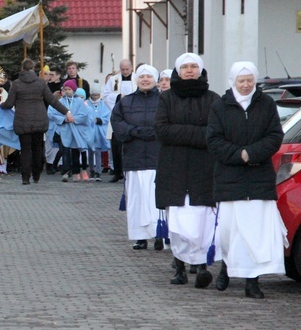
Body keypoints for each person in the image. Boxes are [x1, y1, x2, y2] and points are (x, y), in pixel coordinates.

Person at [206, 61, 287, 299]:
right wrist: (238, 155)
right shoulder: (219, 107)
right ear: (233, 82)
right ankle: (226, 269)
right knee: (230, 232)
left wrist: (252, 153)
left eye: (249, 80)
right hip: (229, 178)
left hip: (258, 178)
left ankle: (253, 281)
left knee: (255, 233)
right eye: (241, 81)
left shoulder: (266, 104)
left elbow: (275, 135)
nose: (245, 85)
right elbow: (213, 139)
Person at [154, 53, 221, 287]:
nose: (190, 70)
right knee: (179, 220)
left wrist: (181, 132)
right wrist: (197, 133)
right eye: (185, 67)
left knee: (202, 218)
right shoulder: (167, 98)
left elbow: (214, 134)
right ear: (177, 71)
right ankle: (180, 267)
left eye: (194, 66)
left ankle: (202, 265)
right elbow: (162, 130)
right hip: (174, 166)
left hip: (203, 168)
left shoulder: (214, 99)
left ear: (201, 70)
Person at [111, 64, 161, 250]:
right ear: (136, 79)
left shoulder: (165, 101)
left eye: (149, 76)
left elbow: (167, 125)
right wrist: (136, 132)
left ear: (155, 79)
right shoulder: (126, 102)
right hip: (135, 157)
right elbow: (117, 123)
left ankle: (160, 234)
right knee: (138, 200)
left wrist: (150, 133)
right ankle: (140, 236)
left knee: (155, 200)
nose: (145, 80)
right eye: (142, 77)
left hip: (157, 158)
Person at [1, 59, 72, 185]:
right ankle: (36, 176)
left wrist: (0, 106)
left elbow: (9, 103)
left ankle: (25, 178)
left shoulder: (16, 84)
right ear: (33, 69)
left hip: (22, 121)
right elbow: (53, 101)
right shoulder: (41, 83)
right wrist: (67, 112)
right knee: (37, 149)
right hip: (39, 120)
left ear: (22, 68)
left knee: (25, 149)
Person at [50, 81, 92, 182]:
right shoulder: (61, 102)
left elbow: (84, 114)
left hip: (76, 129)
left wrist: (75, 119)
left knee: (75, 151)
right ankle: (65, 171)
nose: (67, 91)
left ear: (73, 90)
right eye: (65, 89)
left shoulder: (79, 101)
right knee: (65, 150)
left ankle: (76, 172)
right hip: (65, 129)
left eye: (69, 89)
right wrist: (64, 119)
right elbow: (55, 114)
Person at [103, 59, 134, 182]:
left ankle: (130, 171)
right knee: (116, 144)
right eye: (123, 69)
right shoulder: (113, 79)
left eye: (127, 69)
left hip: (133, 115)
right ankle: (117, 172)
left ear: (131, 68)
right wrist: (119, 97)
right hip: (118, 114)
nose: (125, 72)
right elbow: (105, 96)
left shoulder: (138, 78)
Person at [87, 83, 110, 182]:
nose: (95, 97)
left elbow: (107, 116)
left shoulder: (103, 105)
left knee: (98, 152)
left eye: (97, 95)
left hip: (99, 132)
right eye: (93, 95)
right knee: (90, 152)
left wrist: (99, 120)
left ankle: (98, 171)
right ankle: (91, 170)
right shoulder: (86, 103)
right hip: (90, 132)